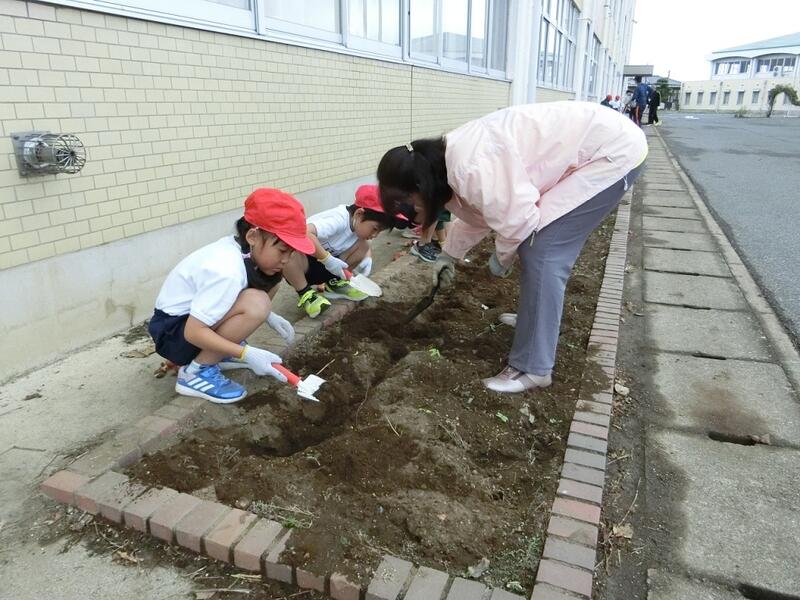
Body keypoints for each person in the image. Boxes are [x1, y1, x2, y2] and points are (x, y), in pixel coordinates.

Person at [377, 102, 647, 393]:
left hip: (611, 152)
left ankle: (533, 368)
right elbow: (484, 212)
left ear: (420, 186)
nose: (413, 215)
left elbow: (519, 221)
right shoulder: (445, 163)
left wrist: (501, 259)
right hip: (597, 145)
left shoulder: (470, 167)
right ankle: (534, 323)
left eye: (410, 206)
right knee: (535, 245)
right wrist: (449, 255)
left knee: (543, 251)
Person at [149, 188, 315, 404]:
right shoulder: (227, 269)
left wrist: (269, 316)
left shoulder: (242, 251)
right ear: (253, 236)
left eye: (291, 252)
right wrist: (246, 353)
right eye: (283, 250)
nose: (286, 259)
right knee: (257, 303)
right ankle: (196, 372)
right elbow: (193, 332)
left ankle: (218, 351)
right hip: (173, 334)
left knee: (267, 287)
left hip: (185, 324)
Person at [282, 184, 404, 317]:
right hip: (302, 266)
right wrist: (326, 259)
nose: (375, 235)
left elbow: (364, 245)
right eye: (375, 229)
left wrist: (367, 257)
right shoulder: (338, 219)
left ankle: (334, 283)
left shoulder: (357, 225)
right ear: (359, 214)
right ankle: (305, 294)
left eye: (379, 232)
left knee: (364, 245)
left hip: (328, 267)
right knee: (288, 249)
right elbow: (304, 233)